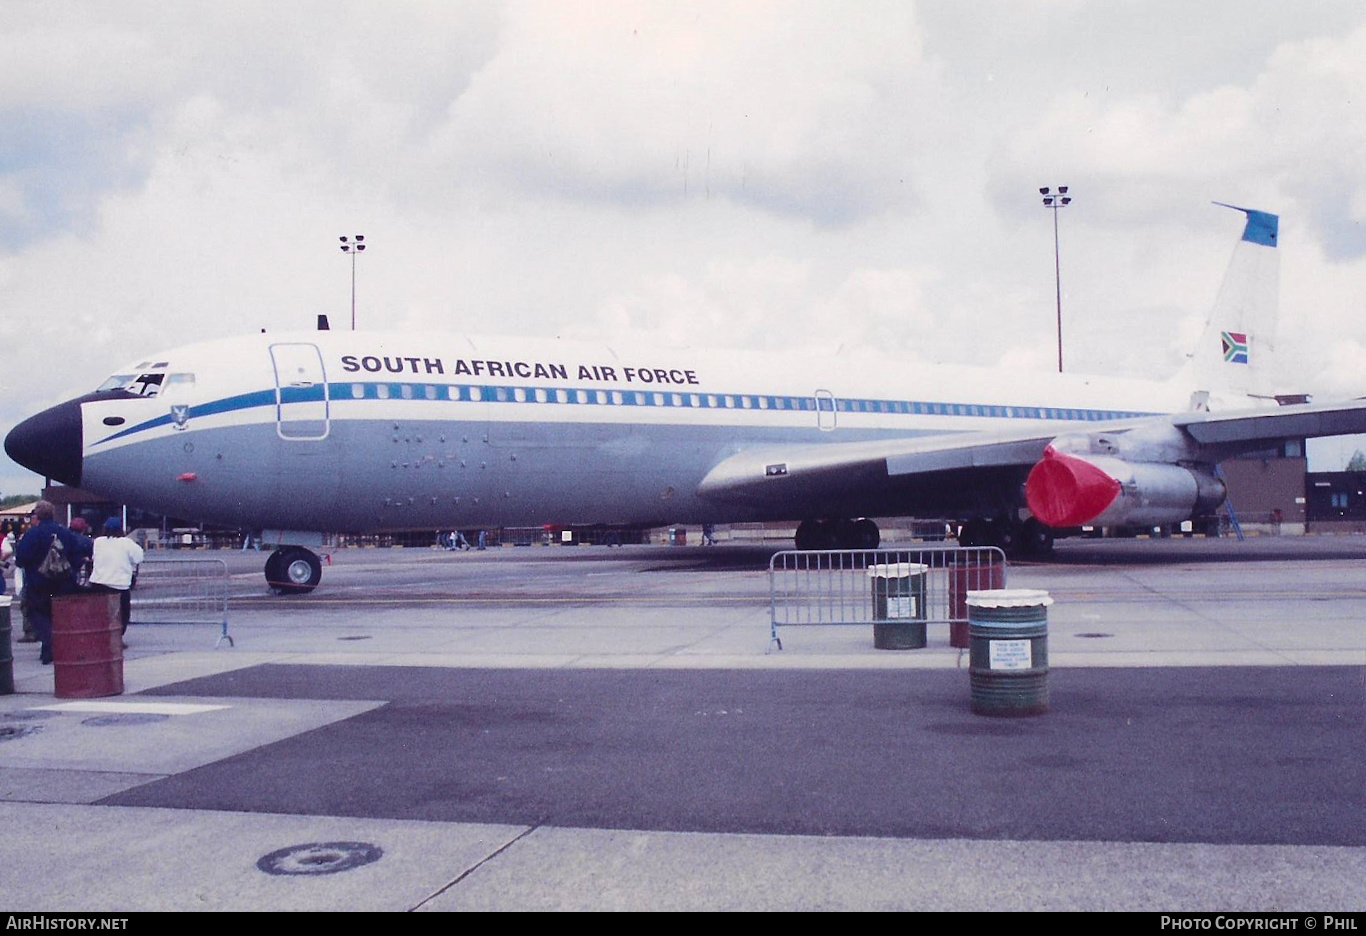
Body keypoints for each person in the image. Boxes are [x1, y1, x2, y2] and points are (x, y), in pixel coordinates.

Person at [14, 501, 93, 665]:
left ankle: (50, 644)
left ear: (37, 516)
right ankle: (51, 649)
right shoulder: (65, 533)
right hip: (63, 583)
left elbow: (21, 559)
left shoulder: (32, 534)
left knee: (37, 614)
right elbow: (77, 556)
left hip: (38, 584)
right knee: (57, 616)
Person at [89, 518, 144, 645]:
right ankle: (116, 637)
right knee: (121, 615)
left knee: (100, 613)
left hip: (98, 582)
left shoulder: (98, 542)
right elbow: (139, 557)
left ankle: (101, 637)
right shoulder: (126, 543)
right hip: (119, 584)